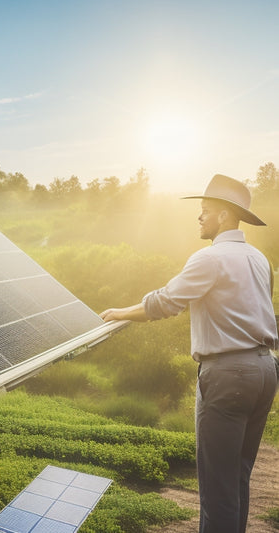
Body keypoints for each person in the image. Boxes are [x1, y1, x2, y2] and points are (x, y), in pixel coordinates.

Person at [100, 174, 278, 533]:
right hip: (265, 370)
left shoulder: (210, 258)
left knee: (218, 489)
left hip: (229, 374)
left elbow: (166, 302)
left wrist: (120, 312)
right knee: (238, 478)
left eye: (205, 211)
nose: (199, 217)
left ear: (225, 216)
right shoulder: (258, 259)